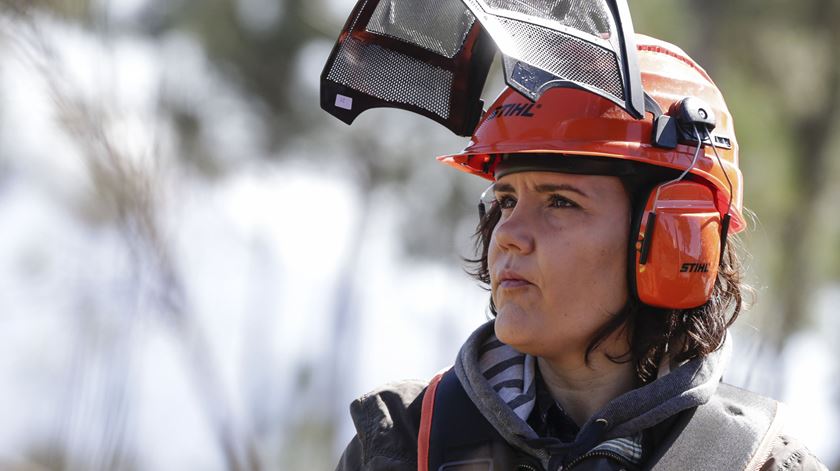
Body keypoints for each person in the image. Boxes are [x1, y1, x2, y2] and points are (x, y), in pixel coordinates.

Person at [333, 35, 827, 471]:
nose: (508, 234)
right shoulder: (399, 445)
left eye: (560, 202)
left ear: (679, 238)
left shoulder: (761, 463)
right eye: (506, 201)